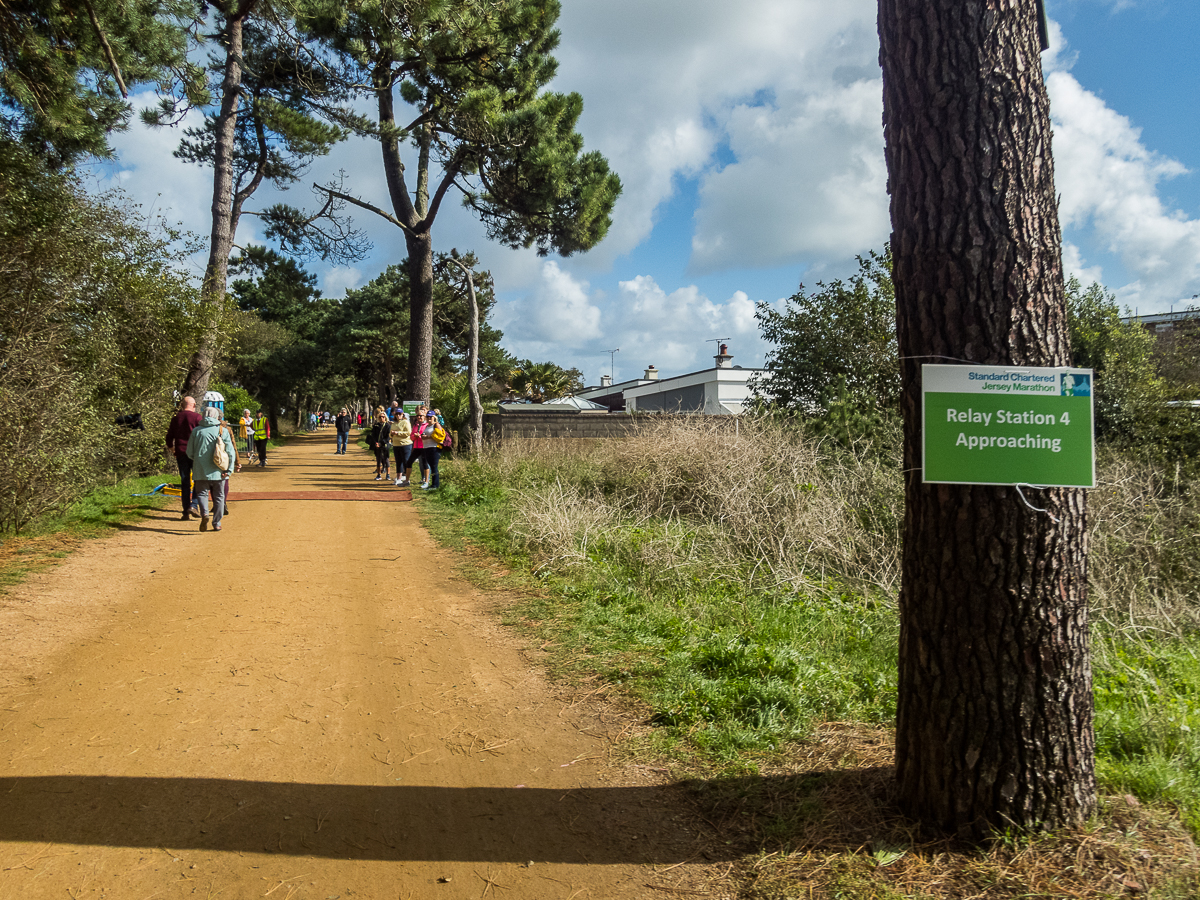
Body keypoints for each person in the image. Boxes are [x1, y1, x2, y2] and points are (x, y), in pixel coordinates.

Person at [185, 406, 236, 532]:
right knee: (219, 496)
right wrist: (229, 470)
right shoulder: (222, 430)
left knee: (202, 493)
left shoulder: (196, 431)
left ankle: (205, 514)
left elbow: (189, 452)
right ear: (216, 416)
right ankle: (217, 522)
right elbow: (230, 452)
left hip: (200, 470)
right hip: (219, 470)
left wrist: (198, 460)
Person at [164, 396, 202, 520]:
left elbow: (169, 437)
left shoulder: (176, 419)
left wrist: (173, 450)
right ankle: (194, 505)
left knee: (185, 481)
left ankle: (185, 511)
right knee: (198, 479)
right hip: (195, 453)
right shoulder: (197, 418)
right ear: (194, 405)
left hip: (181, 452)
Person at [420, 410, 442, 490]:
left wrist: (428, 437)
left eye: (430, 417)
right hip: (426, 447)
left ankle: (435, 485)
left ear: (434, 417)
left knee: (434, 466)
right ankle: (432, 484)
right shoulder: (426, 426)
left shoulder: (436, 425)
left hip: (434, 448)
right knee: (431, 466)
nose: (429, 418)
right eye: (428, 417)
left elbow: (440, 437)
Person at [369, 410, 391, 480]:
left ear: (385, 417)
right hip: (377, 445)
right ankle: (379, 474)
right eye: (380, 417)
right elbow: (373, 435)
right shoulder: (376, 425)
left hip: (384, 445)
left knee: (386, 459)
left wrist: (381, 443)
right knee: (378, 459)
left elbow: (388, 436)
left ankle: (388, 474)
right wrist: (376, 443)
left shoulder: (388, 426)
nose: (382, 418)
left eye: (383, 417)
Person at [392, 411, 412, 486]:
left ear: (402, 414)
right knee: (398, 461)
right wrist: (391, 434)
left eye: (399, 414)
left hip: (405, 444)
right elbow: (390, 433)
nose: (398, 415)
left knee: (406, 461)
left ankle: (407, 479)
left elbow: (408, 433)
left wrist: (397, 433)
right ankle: (399, 479)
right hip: (396, 444)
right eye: (396, 414)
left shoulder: (406, 422)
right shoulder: (394, 423)